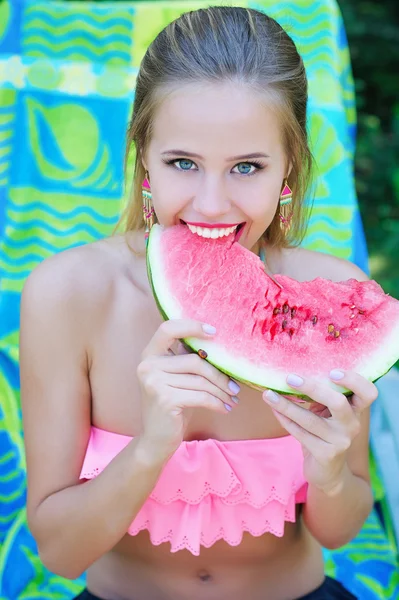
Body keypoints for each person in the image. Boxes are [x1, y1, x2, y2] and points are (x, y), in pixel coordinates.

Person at [20, 6, 378, 600]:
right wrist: (152, 446)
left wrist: (330, 467)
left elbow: (338, 534)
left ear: (288, 168)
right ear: (144, 161)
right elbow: (60, 554)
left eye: (247, 167)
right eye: (183, 163)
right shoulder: (67, 294)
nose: (211, 204)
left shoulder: (335, 300)